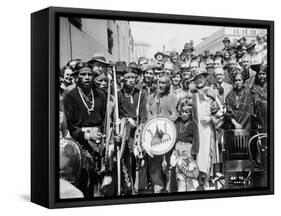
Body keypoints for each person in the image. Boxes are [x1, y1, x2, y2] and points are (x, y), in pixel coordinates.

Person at [63, 62, 107, 197]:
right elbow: (71, 127)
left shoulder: (101, 95)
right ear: (77, 77)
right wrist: (88, 136)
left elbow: (105, 121)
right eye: (83, 74)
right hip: (80, 144)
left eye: (89, 74)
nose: (87, 77)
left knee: (99, 183)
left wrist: (105, 139)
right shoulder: (70, 96)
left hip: (100, 143)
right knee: (83, 182)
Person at [190, 67, 223, 190]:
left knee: (207, 154)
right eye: (196, 79)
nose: (199, 80)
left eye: (201, 78)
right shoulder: (192, 94)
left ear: (205, 78)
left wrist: (211, 118)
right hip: (196, 130)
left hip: (208, 129)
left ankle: (207, 181)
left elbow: (221, 110)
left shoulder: (211, 91)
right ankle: (198, 179)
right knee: (198, 155)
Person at [117, 68, 148, 195]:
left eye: (132, 78)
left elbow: (144, 113)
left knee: (137, 158)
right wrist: (124, 121)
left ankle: (137, 186)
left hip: (138, 130)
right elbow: (117, 114)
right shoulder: (119, 94)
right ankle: (127, 186)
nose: (130, 80)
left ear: (136, 79)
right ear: (123, 79)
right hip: (125, 130)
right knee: (125, 158)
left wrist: (141, 127)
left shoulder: (140, 93)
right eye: (128, 78)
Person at [147, 75, 178, 193]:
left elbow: (175, 114)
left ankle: (170, 187)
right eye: (159, 82)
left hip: (168, 133)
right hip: (154, 134)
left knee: (170, 161)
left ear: (168, 84)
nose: (161, 85)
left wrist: (166, 124)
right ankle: (158, 186)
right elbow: (148, 113)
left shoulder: (173, 97)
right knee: (155, 162)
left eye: (164, 82)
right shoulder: (151, 97)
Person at [170, 104, 199, 192]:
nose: (184, 114)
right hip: (178, 147)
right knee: (179, 172)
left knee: (189, 170)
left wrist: (194, 151)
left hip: (188, 148)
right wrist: (173, 150)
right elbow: (173, 135)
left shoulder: (193, 123)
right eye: (182, 112)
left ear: (190, 113)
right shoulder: (177, 122)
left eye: (186, 112)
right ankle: (181, 190)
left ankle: (190, 190)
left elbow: (196, 138)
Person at [250, 64, 268, 132]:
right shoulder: (255, 88)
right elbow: (254, 103)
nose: (261, 76)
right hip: (259, 118)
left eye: (263, 74)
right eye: (260, 74)